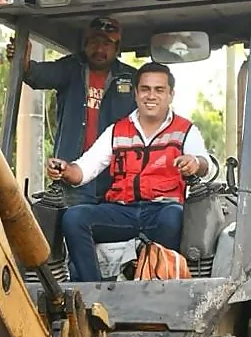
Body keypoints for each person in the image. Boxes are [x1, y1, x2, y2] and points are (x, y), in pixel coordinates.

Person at [47, 62, 212, 281]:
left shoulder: (185, 130)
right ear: (136, 94)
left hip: (161, 211)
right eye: (145, 89)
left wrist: (195, 163)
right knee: (74, 217)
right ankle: (94, 292)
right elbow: (84, 170)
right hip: (121, 212)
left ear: (170, 95)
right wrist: (65, 169)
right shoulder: (117, 130)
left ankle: (159, 285)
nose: (151, 96)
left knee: (174, 217)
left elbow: (207, 165)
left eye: (159, 90)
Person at [12, 17, 136, 200]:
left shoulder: (132, 78)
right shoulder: (70, 67)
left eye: (107, 43)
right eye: (95, 42)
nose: (100, 49)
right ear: (85, 44)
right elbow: (35, 74)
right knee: (71, 222)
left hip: (118, 180)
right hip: (72, 177)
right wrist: (22, 58)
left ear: (117, 48)